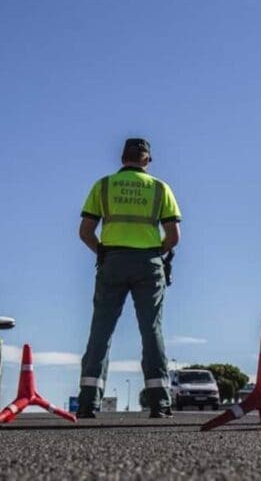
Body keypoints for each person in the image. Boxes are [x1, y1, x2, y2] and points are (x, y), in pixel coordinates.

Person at [76, 138, 181, 418]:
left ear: (123, 159)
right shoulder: (160, 188)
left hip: (112, 261)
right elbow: (174, 237)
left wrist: (103, 253)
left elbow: (85, 231)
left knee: (101, 330)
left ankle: (88, 401)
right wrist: (156, 253)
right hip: (149, 263)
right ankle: (159, 402)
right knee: (151, 330)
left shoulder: (104, 185)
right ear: (147, 159)